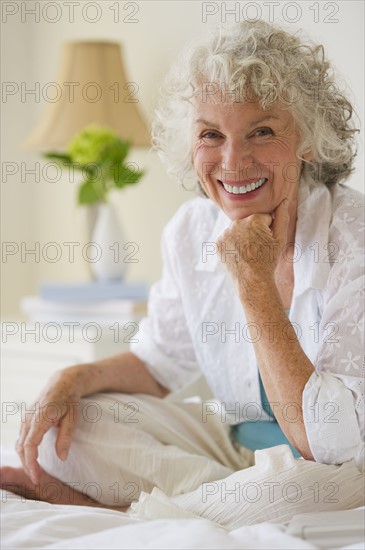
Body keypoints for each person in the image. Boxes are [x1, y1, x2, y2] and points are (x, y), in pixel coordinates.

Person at [1, 20, 364, 526]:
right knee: (70, 429)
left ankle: (127, 511)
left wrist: (252, 282)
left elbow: (326, 437)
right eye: (211, 135)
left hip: (330, 463)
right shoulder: (191, 229)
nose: (233, 162)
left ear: (305, 137)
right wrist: (73, 376)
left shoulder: (354, 238)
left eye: (262, 131)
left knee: (310, 488)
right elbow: (158, 362)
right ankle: (215, 504)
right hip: (229, 450)